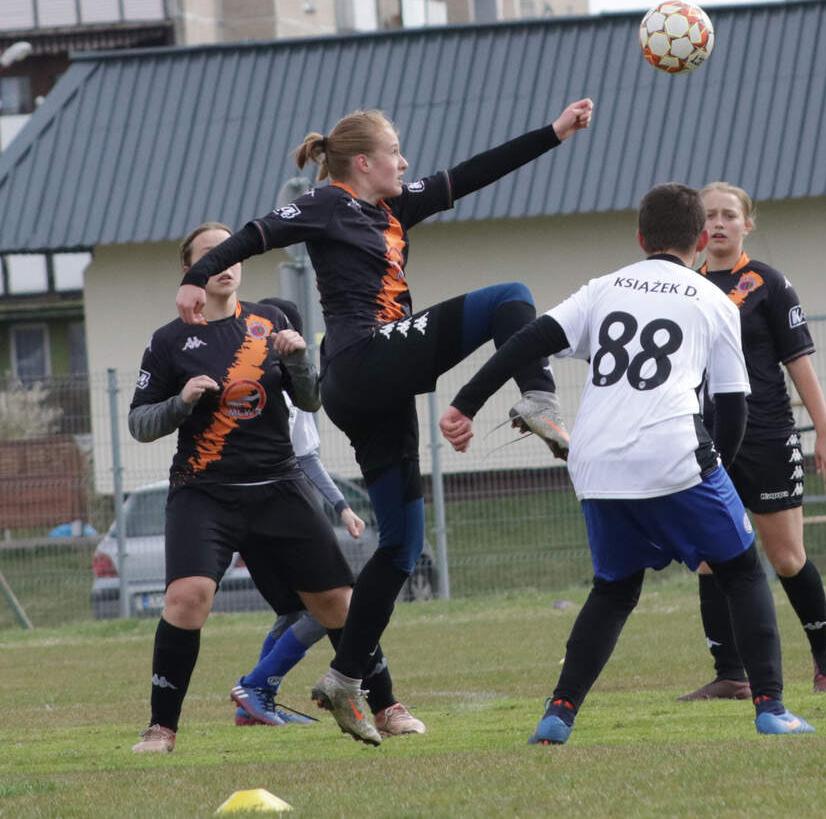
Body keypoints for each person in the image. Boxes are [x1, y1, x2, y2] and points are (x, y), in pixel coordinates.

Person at [175, 99, 593, 743]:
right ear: (363, 163)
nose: (404, 161)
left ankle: (345, 680)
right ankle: (536, 399)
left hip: (375, 387)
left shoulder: (393, 207)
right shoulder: (327, 202)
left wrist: (554, 133)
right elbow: (257, 232)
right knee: (511, 298)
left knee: (400, 546)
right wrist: (199, 275)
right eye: (394, 152)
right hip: (363, 360)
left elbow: (472, 173)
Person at [438, 183, 816, 743]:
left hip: (595, 461)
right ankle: (772, 708)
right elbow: (735, 406)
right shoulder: (714, 299)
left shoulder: (603, 288)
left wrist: (464, 404)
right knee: (741, 571)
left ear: (640, 239)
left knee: (614, 590)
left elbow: (525, 340)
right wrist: (719, 468)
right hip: (673, 455)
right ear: (699, 240)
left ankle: (558, 714)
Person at [130, 225, 374, 752]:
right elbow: (139, 424)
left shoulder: (271, 321)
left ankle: (389, 706)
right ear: (190, 270)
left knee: (338, 601)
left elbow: (310, 401)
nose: (225, 262)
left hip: (277, 485)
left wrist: (299, 359)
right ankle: (161, 728)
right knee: (187, 598)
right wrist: (180, 402)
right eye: (210, 255)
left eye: (231, 252)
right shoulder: (169, 341)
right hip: (203, 492)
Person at [675, 182, 826, 701]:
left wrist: (825, 431)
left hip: (767, 434)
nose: (719, 223)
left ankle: (824, 653)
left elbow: (798, 362)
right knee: (709, 555)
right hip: (707, 438)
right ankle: (731, 673)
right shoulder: (684, 286)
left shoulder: (768, 283)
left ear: (747, 224)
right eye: (709, 215)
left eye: (729, 215)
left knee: (786, 557)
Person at [229, 297, 423, 738]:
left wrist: (341, 507)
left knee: (295, 610)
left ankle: (255, 700)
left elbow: (305, 458)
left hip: (251, 508)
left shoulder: (263, 380)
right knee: (335, 605)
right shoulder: (280, 387)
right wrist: (340, 505)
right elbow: (305, 459)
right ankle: (258, 686)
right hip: (281, 508)